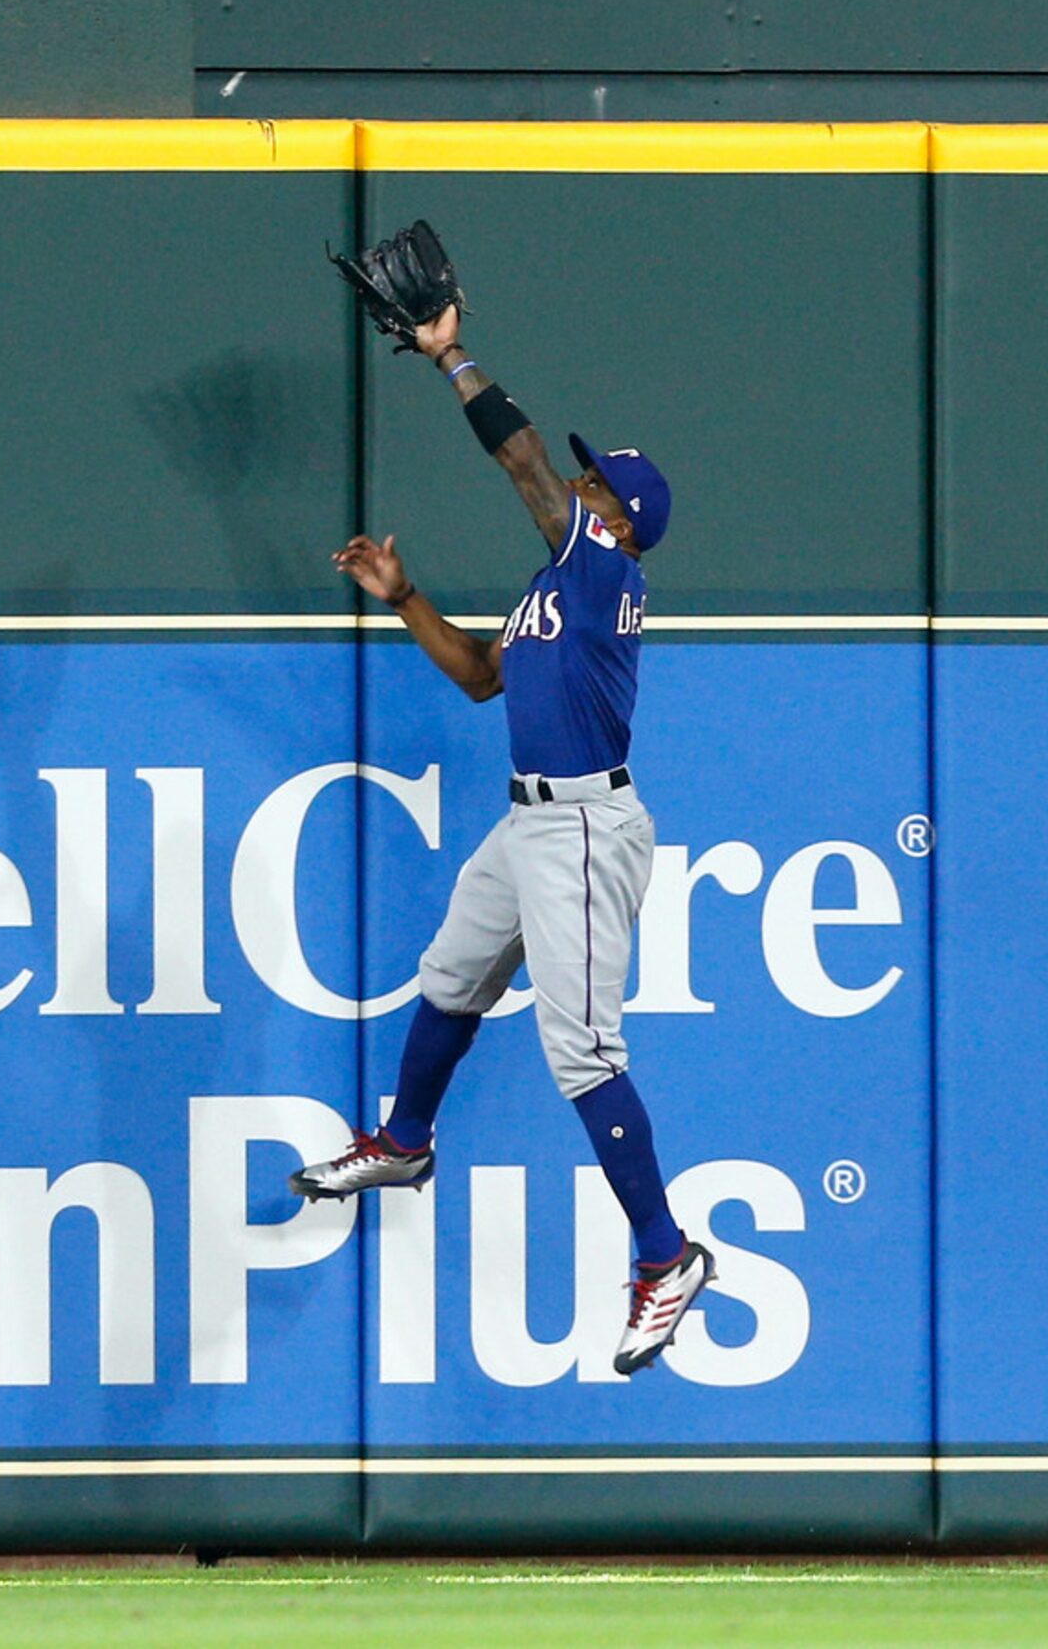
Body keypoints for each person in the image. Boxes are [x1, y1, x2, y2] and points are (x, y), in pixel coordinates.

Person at [289, 301, 712, 1375]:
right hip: (530, 819)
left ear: (616, 518)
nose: (574, 484)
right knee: (447, 980)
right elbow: (483, 678)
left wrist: (450, 358)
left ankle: (665, 1258)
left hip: (581, 824)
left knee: (581, 1052)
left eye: (593, 483)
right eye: (580, 477)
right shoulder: (554, 590)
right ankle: (405, 1142)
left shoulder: (603, 569)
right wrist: (404, 597)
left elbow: (520, 460)